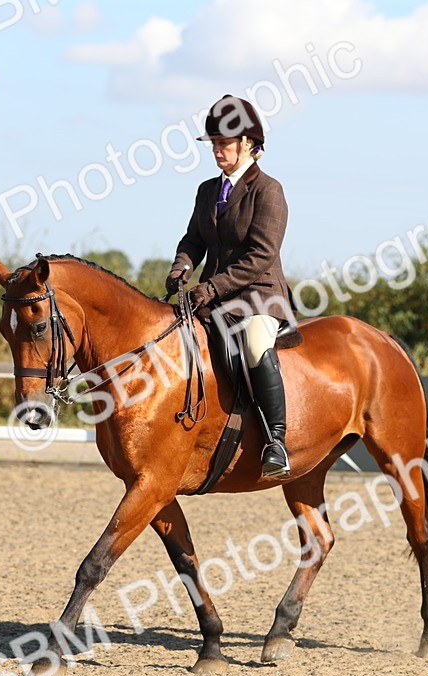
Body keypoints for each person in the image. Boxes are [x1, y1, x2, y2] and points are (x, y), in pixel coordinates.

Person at [167, 94, 297, 479]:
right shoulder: (208, 190)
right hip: (213, 297)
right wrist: (181, 267)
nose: (217, 151)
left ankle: (276, 441)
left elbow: (261, 254)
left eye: (224, 143)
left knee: (255, 345)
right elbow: (194, 239)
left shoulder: (268, 190)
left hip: (259, 296)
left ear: (248, 144)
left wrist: (211, 287)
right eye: (214, 144)